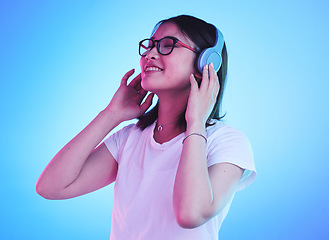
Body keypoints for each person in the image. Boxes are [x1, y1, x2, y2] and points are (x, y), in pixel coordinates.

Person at [36, 15, 256, 239]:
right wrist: (111, 115)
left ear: (206, 63)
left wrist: (196, 123)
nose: (150, 54)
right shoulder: (130, 138)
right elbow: (50, 187)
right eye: (150, 45)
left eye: (168, 46)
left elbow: (190, 215)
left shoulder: (228, 142)